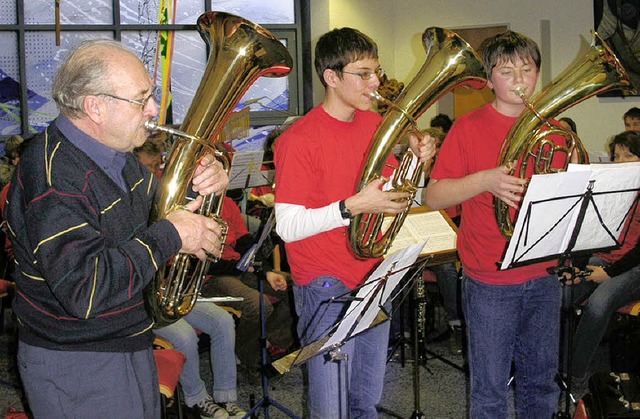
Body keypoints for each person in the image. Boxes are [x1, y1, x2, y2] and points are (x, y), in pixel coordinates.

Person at [5, 39, 228, 418]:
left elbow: (158, 213)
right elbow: (85, 290)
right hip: (78, 362)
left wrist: (201, 187)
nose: (154, 110)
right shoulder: (53, 174)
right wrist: (173, 234)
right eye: (142, 100)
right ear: (95, 106)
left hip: (125, 340)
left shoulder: (115, 157)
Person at [274, 27, 435, 417]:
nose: (376, 82)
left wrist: (418, 162)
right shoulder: (299, 139)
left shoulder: (373, 126)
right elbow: (287, 226)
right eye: (364, 74)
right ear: (332, 77)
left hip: (374, 278)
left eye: (376, 72)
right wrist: (351, 206)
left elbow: (402, 194)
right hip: (325, 284)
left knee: (366, 401)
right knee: (331, 409)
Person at [424, 30, 570, 417]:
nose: (520, 79)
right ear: (489, 80)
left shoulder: (553, 129)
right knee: (489, 390)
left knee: (541, 382)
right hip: (490, 277)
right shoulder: (468, 127)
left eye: (527, 68)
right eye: (507, 71)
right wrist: (485, 180)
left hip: (543, 273)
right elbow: (433, 196)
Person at [569, 130, 640, 380]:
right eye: (617, 156)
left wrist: (608, 273)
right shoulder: (615, 189)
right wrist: (577, 269)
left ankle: (573, 373)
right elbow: (590, 235)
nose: (620, 162)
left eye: (629, 155)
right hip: (604, 261)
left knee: (599, 305)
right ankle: (550, 365)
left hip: (633, 268)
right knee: (561, 294)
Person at [200, 196, 296, 377]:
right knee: (258, 304)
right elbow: (201, 263)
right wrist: (244, 267)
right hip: (212, 276)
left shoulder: (227, 203)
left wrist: (266, 272)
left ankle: (271, 343)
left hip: (238, 268)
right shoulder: (193, 207)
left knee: (292, 293)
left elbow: (244, 242)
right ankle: (246, 357)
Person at [154, 303, 247, 418]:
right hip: (149, 308)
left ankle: (225, 396)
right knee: (186, 337)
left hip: (176, 300)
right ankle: (197, 399)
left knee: (224, 321)